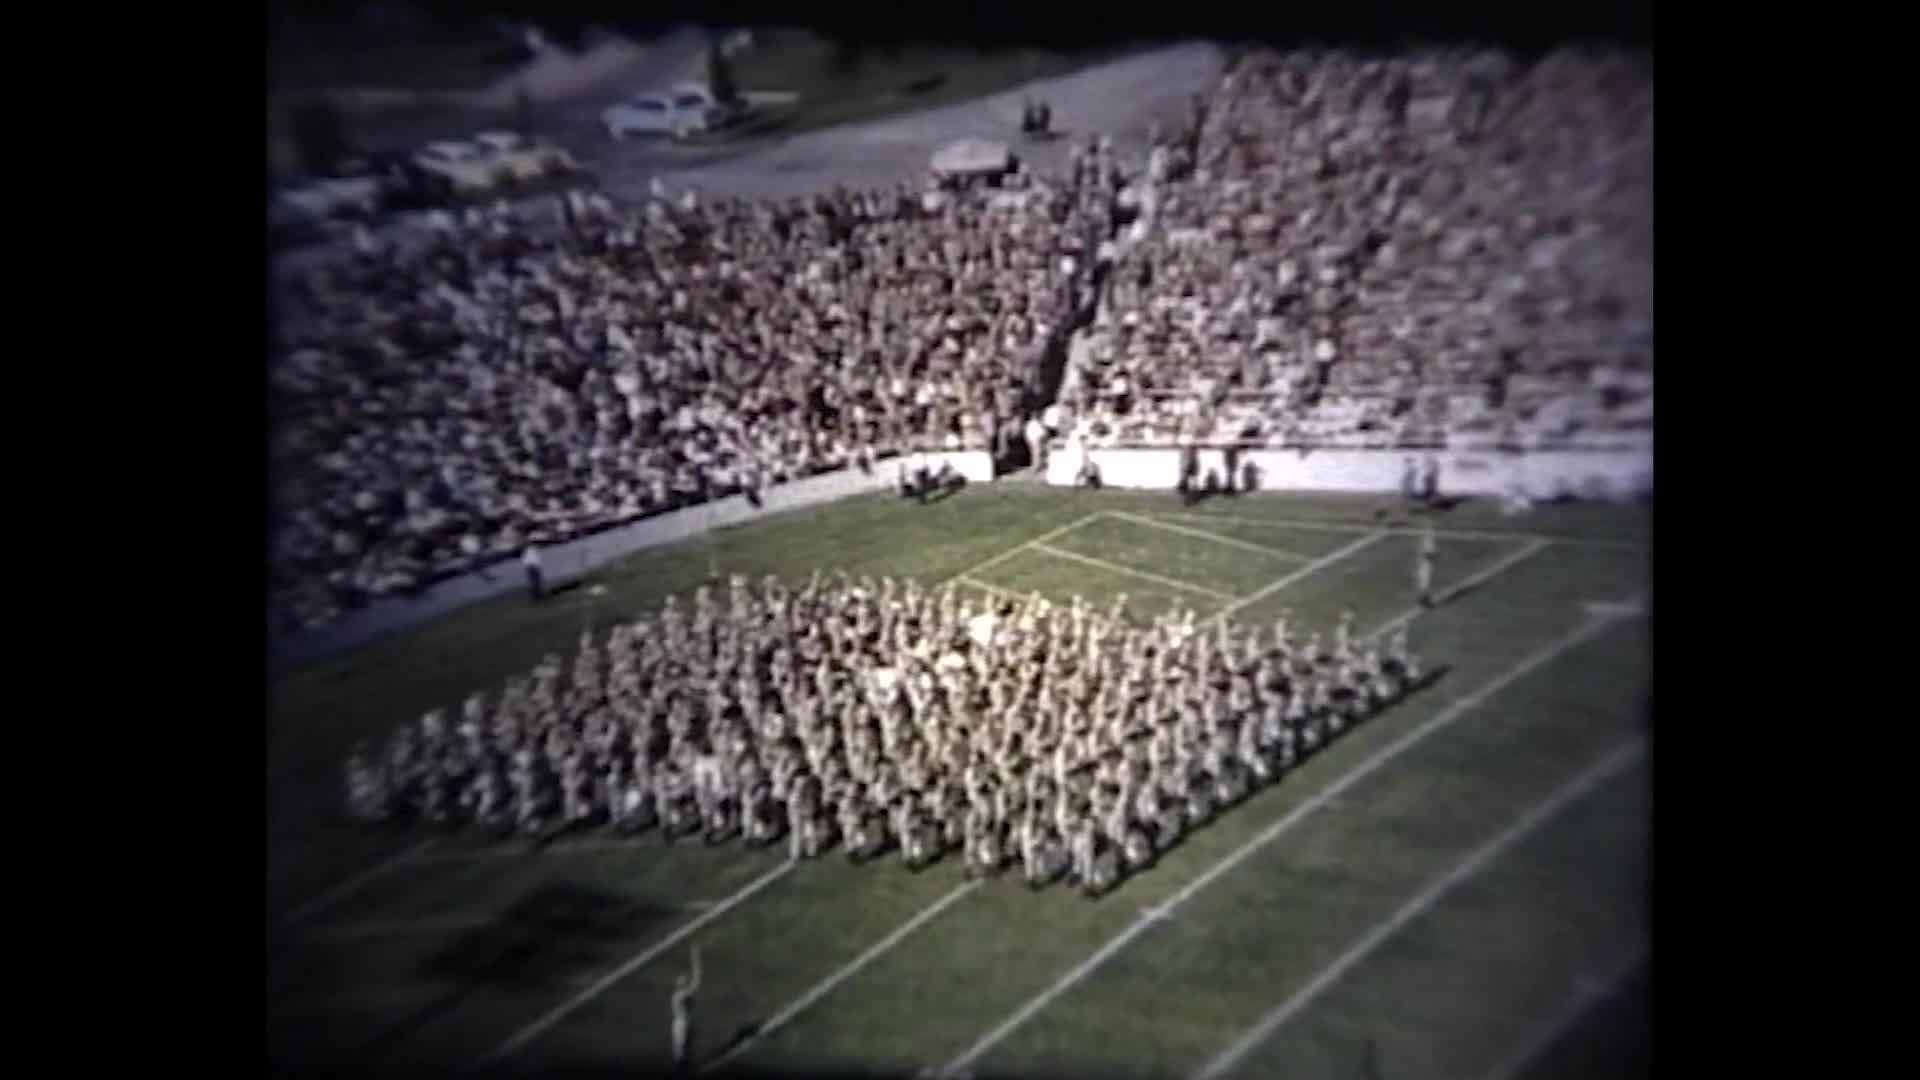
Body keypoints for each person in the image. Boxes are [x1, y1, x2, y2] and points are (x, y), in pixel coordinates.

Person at [671, 945, 702, 1073]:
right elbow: (696, 981)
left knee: (687, 1049)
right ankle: (681, 1070)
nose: (685, 978)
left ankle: (685, 1069)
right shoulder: (680, 996)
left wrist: (695, 958)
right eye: (683, 979)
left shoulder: (681, 994)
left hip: (685, 1024)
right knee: (682, 1049)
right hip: (682, 1024)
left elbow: (695, 981)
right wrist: (695, 958)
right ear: (680, 984)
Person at [1415, 521, 1436, 608]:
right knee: (1425, 583)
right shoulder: (1427, 542)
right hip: (1425, 565)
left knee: (1425, 584)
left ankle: (1424, 600)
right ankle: (1424, 601)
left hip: (1426, 564)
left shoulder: (1427, 541)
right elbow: (1427, 554)